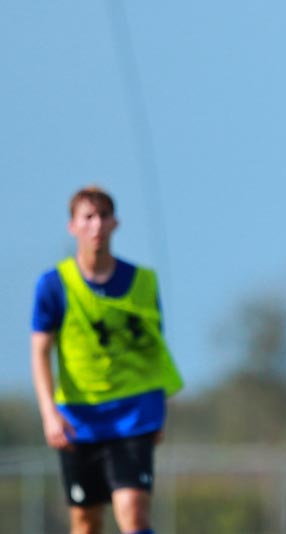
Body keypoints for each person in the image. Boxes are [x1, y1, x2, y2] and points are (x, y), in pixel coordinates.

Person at [30, 186, 182, 534]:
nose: (96, 225)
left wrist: (158, 408)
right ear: (73, 226)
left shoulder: (143, 281)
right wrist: (48, 412)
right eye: (88, 217)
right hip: (78, 417)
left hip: (133, 413)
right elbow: (40, 350)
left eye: (103, 216)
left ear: (116, 223)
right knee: (86, 522)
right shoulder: (54, 286)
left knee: (133, 512)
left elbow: (152, 349)